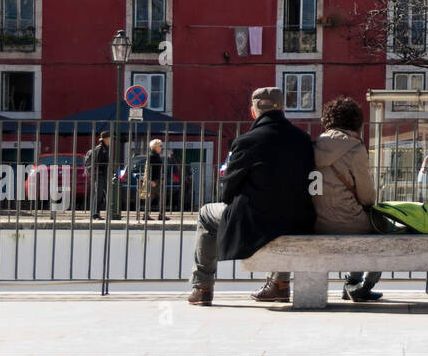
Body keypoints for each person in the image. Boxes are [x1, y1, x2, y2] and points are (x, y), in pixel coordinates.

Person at [187, 87, 315, 306]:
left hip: (257, 222)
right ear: (282, 109)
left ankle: (202, 286)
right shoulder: (303, 140)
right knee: (284, 212)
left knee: (206, 214)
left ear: (253, 112)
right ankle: (280, 285)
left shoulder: (247, 141)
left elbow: (227, 192)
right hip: (299, 219)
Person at [313, 96, 382, 302]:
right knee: (379, 230)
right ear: (356, 122)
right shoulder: (355, 149)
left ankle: (352, 283)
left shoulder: (313, 145)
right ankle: (357, 284)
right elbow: (366, 195)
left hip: (315, 222)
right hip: (348, 222)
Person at [85, 131, 111, 220]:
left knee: (101, 195)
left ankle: (96, 213)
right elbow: (97, 163)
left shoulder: (106, 148)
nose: (110, 140)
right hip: (99, 175)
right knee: (99, 194)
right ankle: (95, 213)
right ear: (105, 139)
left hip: (102, 174)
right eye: (109, 138)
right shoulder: (100, 149)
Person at [143, 139, 168, 221]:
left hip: (157, 180)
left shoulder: (156, 155)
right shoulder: (151, 156)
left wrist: (162, 179)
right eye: (160, 146)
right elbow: (148, 169)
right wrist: (150, 180)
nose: (161, 147)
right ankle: (157, 215)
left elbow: (159, 169)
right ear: (155, 147)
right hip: (154, 180)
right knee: (153, 197)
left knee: (158, 197)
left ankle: (158, 214)